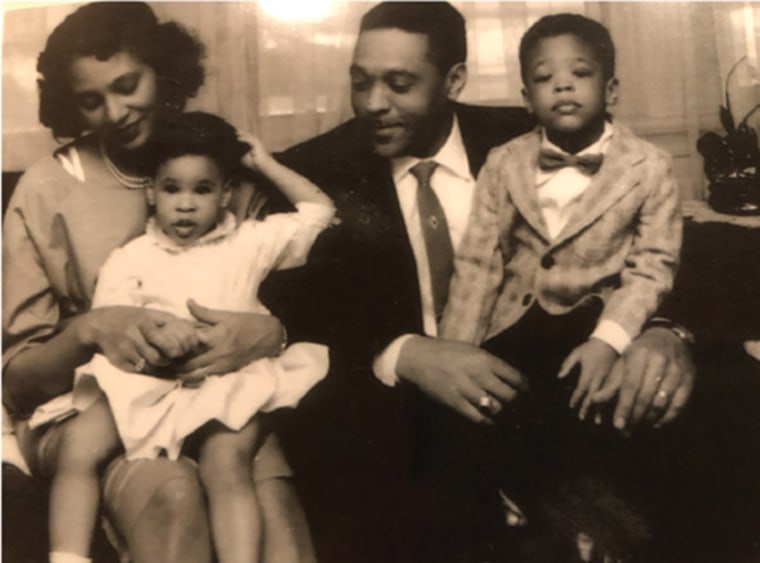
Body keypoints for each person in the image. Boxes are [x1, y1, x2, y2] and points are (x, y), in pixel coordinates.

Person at [261, 3, 696, 562]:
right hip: (400, 407)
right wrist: (406, 351)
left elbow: (663, 240)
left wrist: (665, 331)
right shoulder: (312, 172)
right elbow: (290, 311)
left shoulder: (534, 133)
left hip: (552, 365)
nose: (373, 103)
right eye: (360, 80)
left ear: (455, 80)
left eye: (400, 84)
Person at [3, 4, 313, 563]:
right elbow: (18, 382)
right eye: (91, 100)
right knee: (174, 494)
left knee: (271, 511)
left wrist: (272, 332)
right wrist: (93, 329)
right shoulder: (46, 191)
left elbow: (281, 293)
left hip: (213, 394)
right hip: (93, 408)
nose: (115, 112)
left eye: (128, 85)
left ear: (163, 72)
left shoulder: (216, 167)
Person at [436, 13, 682, 559]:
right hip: (515, 326)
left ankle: (590, 524)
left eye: (580, 73)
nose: (563, 85)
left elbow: (652, 268)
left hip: (593, 327)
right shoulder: (504, 164)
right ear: (528, 97)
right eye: (546, 79)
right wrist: (458, 350)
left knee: (596, 414)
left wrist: (608, 341)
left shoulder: (651, 167)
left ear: (610, 88)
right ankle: (546, 514)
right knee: (493, 413)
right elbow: (480, 263)